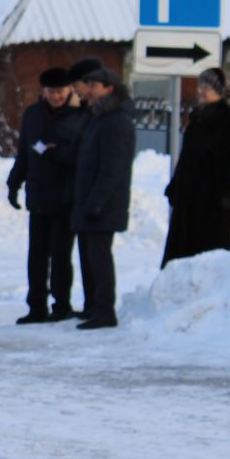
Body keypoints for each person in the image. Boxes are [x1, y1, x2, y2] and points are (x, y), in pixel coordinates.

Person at [6, 67, 88, 323]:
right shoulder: (33, 115)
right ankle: (37, 306)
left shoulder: (80, 116)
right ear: (44, 91)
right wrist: (14, 183)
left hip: (66, 198)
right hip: (39, 196)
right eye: (51, 92)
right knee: (37, 256)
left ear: (69, 90)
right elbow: (24, 154)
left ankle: (61, 305)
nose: (56, 96)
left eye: (60, 91)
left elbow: (82, 155)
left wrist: (57, 152)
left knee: (62, 255)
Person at [71, 65, 136, 330]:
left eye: (94, 87)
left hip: (103, 204)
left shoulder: (117, 121)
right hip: (91, 200)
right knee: (89, 255)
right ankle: (95, 307)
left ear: (109, 89)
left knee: (100, 257)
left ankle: (105, 311)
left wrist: (97, 200)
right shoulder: (99, 117)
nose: (89, 91)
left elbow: (113, 167)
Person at [163, 67, 230, 266]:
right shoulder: (198, 116)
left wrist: (228, 193)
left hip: (212, 202)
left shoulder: (226, 120)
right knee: (182, 254)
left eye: (206, 87)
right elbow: (187, 157)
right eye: (200, 86)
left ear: (220, 91)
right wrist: (176, 186)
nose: (200, 90)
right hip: (188, 197)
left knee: (205, 257)